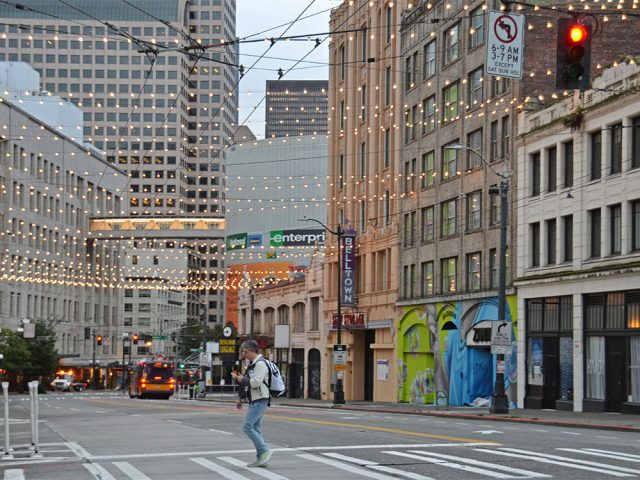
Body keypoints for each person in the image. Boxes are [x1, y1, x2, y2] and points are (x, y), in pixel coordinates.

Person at [232, 340, 273, 467]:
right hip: (256, 398)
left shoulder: (260, 364)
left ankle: (264, 450)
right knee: (255, 427)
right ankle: (261, 458)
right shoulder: (253, 364)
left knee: (247, 426)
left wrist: (242, 379)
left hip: (260, 398)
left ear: (252, 351)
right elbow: (251, 383)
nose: (244, 354)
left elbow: (256, 382)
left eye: (245, 352)